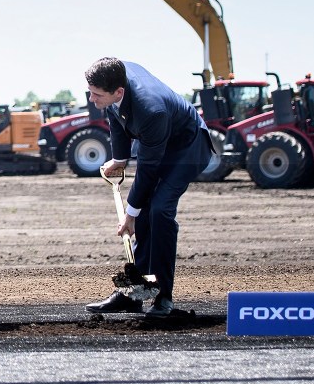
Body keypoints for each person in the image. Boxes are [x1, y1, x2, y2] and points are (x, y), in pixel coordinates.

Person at [82, 57, 216, 318]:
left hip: (188, 147)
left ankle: (163, 296)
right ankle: (133, 295)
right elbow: (116, 118)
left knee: (158, 212)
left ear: (119, 91)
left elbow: (148, 170)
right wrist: (119, 159)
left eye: (96, 94)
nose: (91, 99)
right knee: (144, 211)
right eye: (90, 91)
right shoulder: (114, 77)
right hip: (160, 141)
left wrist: (130, 215)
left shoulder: (151, 110)